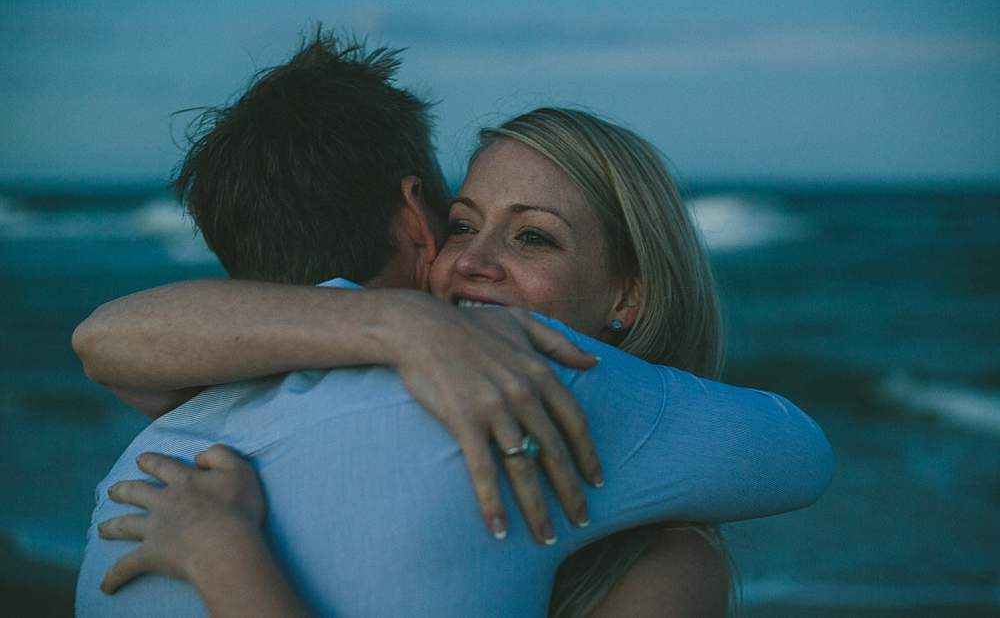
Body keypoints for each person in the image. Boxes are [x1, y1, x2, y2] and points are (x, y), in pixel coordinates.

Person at [74, 32, 832, 618]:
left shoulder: (181, 425)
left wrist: (220, 552)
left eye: (533, 235)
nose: (475, 261)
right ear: (419, 220)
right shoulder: (550, 387)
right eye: (463, 224)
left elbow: (104, 338)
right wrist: (407, 326)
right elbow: (803, 453)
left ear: (628, 293)